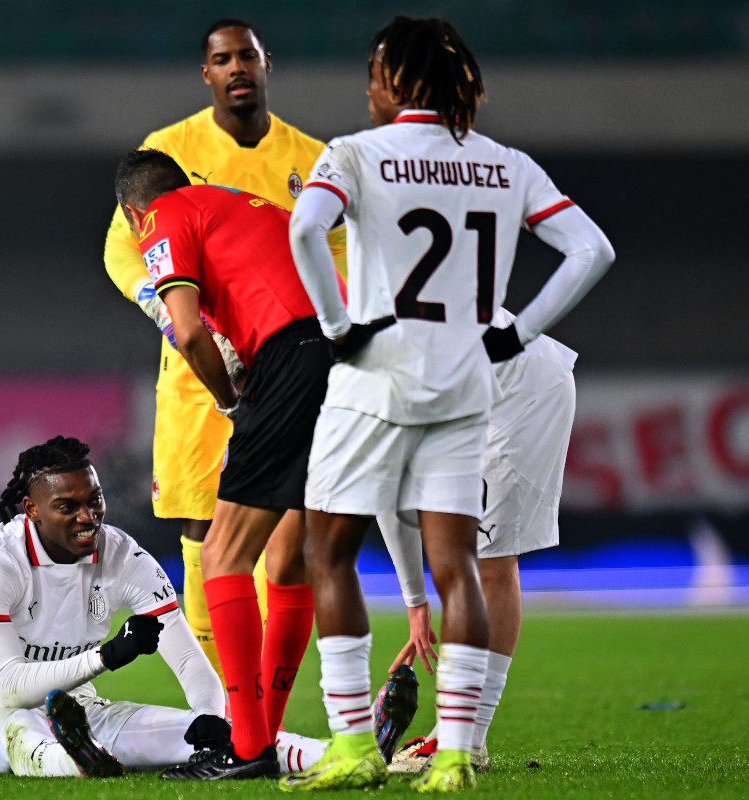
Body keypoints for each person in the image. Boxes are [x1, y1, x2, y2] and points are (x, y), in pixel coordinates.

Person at [284, 15, 614, 793]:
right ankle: (459, 753)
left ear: (394, 79)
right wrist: (518, 328)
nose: (367, 87)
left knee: (327, 552)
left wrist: (339, 327)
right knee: (458, 563)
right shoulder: (505, 165)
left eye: (373, 71)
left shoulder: (354, 155)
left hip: (379, 373)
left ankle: (354, 746)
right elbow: (591, 250)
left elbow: (306, 229)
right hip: (467, 378)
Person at [102, 17, 345, 682]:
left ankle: (255, 708)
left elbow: (341, 254)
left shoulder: (313, 157)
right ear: (205, 74)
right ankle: (229, 700)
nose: (237, 68)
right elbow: (123, 247)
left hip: (280, 362)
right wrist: (160, 303)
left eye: (248, 56)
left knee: (279, 539)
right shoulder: (168, 149)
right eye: (222, 59)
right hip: (200, 372)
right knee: (202, 533)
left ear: (269, 65)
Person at [114, 148, 341, 780]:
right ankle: (262, 736)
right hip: (347, 354)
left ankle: (245, 747)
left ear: (134, 215)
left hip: (289, 359)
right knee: (290, 559)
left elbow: (187, 333)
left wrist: (231, 402)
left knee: (222, 555)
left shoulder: (161, 216)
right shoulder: (246, 206)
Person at [0, 435, 327, 778]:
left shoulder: (120, 553)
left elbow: (187, 656)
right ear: (32, 509)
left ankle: (332, 753)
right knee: (20, 731)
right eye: (67, 507)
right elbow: (8, 690)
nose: (87, 518)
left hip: (80, 710)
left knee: (226, 734)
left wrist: (207, 711)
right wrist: (104, 657)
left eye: (95, 500)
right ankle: (74, 761)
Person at [376, 306, 580, 776]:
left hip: (524, 393)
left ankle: (463, 739)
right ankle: (458, 735)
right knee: (465, 556)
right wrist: (415, 603)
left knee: (485, 563)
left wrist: (415, 603)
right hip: (475, 390)